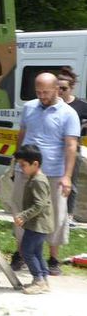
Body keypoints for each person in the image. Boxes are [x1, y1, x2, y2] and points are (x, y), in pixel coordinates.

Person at [9, 72, 79, 275]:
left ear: (57, 89)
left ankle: (53, 258)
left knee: (55, 215)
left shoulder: (68, 113)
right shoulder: (29, 107)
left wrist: (67, 176)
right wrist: (16, 162)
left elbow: (71, 145)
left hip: (54, 173)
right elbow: (21, 135)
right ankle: (21, 253)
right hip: (25, 171)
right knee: (21, 210)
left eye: (46, 92)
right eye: (38, 92)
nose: (42, 95)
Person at [12, 145, 55, 294]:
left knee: (26, 251)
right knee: (36, 252)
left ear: (35, 164)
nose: (21, 168)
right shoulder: (35, 178)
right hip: (38, 224)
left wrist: (23, 215)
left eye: (23, 165)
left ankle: (38, 280)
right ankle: (43, 280)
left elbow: (40, 204)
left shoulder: (38, 181)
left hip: (38, 225)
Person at [56, 67, 87, 217]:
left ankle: (68, 216)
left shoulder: (80, 106)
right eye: (58, 87)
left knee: (70, 183)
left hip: (73, 149)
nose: (60, 91)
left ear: (71, 88)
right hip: (55, 148)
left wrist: (81, 129)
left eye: (64, 88)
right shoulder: (53, 104)